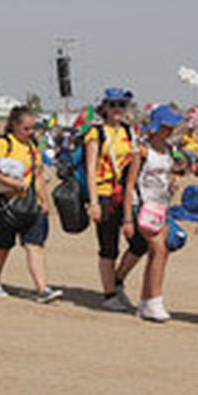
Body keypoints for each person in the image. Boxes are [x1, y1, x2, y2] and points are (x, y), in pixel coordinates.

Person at [0, 106, 63, 303]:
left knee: (35, 245)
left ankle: (42, 288)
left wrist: (44, 201)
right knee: (2, 245)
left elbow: (38, 176)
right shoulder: (4, 143)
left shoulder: (32, 147)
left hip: (30, 203)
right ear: (14, 126)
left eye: (32, 128)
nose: (30, 132)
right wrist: (10, 183)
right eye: (26, 128)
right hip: (4, 204)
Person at [84, 88, 146, 312]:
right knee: (108, 246)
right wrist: (93, 202)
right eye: (113, 105)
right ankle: (109, 294)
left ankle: (118, 278)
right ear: (105, 107)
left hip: (126, 193)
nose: (118, 109)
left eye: (122, 104)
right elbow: (91, 170)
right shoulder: (96, 133)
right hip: (103, 193)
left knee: (140, 241)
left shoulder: (130, 132)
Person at [122, 105, 184, 322]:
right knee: (157, 248)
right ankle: (154, 301)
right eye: (166, 127)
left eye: (171, 127)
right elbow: (130, 185)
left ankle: (147, 299)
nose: (169, 131)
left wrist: (171, 185)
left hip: (161, 206)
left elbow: (165, 177)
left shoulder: (167, 150)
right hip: (143, 206)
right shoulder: (142, 151)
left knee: (162, 251)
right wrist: (128, 218)